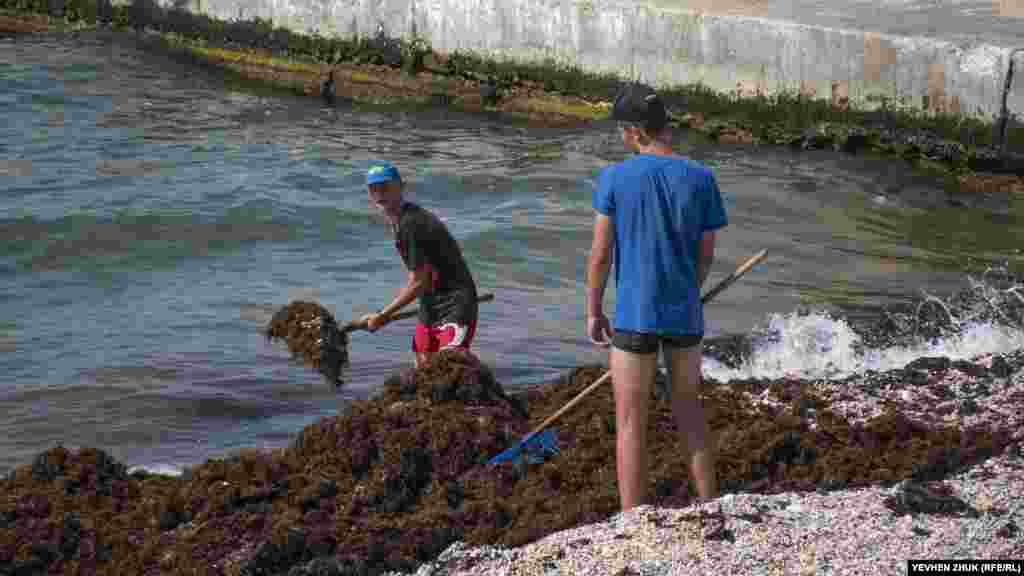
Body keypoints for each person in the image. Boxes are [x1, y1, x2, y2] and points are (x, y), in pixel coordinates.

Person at [586, 82, 728, 511]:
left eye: (621, 131)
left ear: (634, 131)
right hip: (684, 313)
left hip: (634, 316)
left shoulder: (614, 178)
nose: (620, 138)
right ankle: (710, 505)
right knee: (690, 413)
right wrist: (688, 292)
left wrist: (593, 311)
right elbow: (705, 257)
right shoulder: (702, 178)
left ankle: (633, 520)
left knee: (631, 423)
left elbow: (600, 256)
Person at [360, 162, 479, 369]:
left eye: (385, 186)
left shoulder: (411, 224)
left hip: (455, 303)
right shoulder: (401, 220)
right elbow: (421, 279)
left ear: (400, 186)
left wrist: (383, 315)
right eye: (373, 188)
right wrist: (383, 314)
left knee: (450, 369)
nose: (379, 193)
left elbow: (419, 282)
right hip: (430, 304)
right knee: (422, 368)